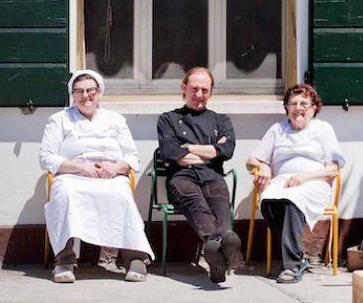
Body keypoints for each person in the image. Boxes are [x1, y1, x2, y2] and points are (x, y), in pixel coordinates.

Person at [39, 69, 154, 284]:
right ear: (72, 95)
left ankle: (135, 257)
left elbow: (132, 157)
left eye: (90, 90)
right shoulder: (59, 120)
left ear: (99, 92)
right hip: (72, 175)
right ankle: (64, 261)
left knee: (122, 195)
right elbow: (46, 157)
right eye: (79, 91)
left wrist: (116, 167)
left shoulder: (115, 119)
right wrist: (80, 168)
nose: (86, 96)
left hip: (109, 176)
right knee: (65, 195)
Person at [246, 83, 345, 284]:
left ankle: (291, 265)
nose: (298, 107)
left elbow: (333, 169)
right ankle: (298, 256)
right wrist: (263, 167)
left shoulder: (323, 129)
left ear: (314, 108)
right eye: (293, 103)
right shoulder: (277, 129)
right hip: (283, 180)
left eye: (304, 103)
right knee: (268, 199)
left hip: (315, 181)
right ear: (287, 107)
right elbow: (251, 161)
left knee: (291, 199)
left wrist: (304, 177)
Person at [156, 67, 241, 283]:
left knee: (221, 205)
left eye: (205, 89)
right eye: (194, 89)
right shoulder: (168, 119)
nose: (199, 95)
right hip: (181, 178)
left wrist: (188, 147)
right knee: (198, 206)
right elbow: (171, 153)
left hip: (212, 176)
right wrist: (211, 151)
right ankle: (226, 251)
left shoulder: (221, 120)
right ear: (184, 88)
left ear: (211, 92)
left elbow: (227, 150)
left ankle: (215, 253)